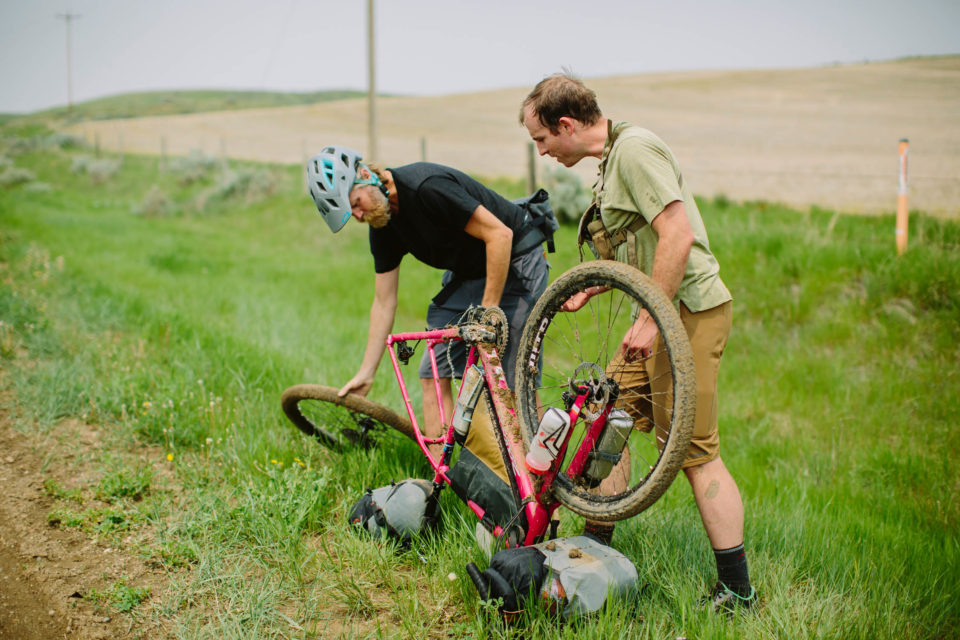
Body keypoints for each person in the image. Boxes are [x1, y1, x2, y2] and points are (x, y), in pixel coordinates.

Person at [519, 74, 757, 613]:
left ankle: (738, 592)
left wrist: (652, 319)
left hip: (688, 314)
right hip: (656, 311)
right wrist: (599, 284)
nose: (543, 152)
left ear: (566, 125)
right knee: (607, 420)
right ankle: (593, 555)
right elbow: (641, 245)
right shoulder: (609, 165)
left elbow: (677, 235)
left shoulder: (635, 150)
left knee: (694, 452)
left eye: (542, 140)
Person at [306, 146, 550, 458]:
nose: (357, 215)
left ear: (365, 175)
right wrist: (367, 372)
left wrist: (486, 317)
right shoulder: (383, 225)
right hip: (471, 273)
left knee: (512, 380)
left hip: (516, 257)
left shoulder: (425, 188)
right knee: (433, 369)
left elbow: (499, 236)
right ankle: (446, 477)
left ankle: (538, 485)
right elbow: (383, 302)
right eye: (350, 214)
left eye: (355, 203)